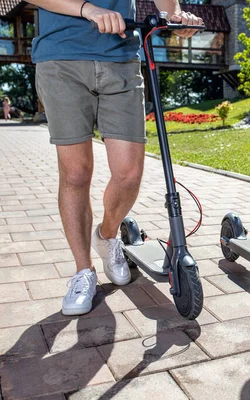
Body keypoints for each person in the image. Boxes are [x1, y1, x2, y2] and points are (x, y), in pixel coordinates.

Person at [27, 0, 202, 316]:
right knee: (76, 173)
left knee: (129, 174)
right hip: (61, 58)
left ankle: (107, 236)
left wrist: (175, 13)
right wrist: (88, 10)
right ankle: (83, 271)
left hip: (120, 57)